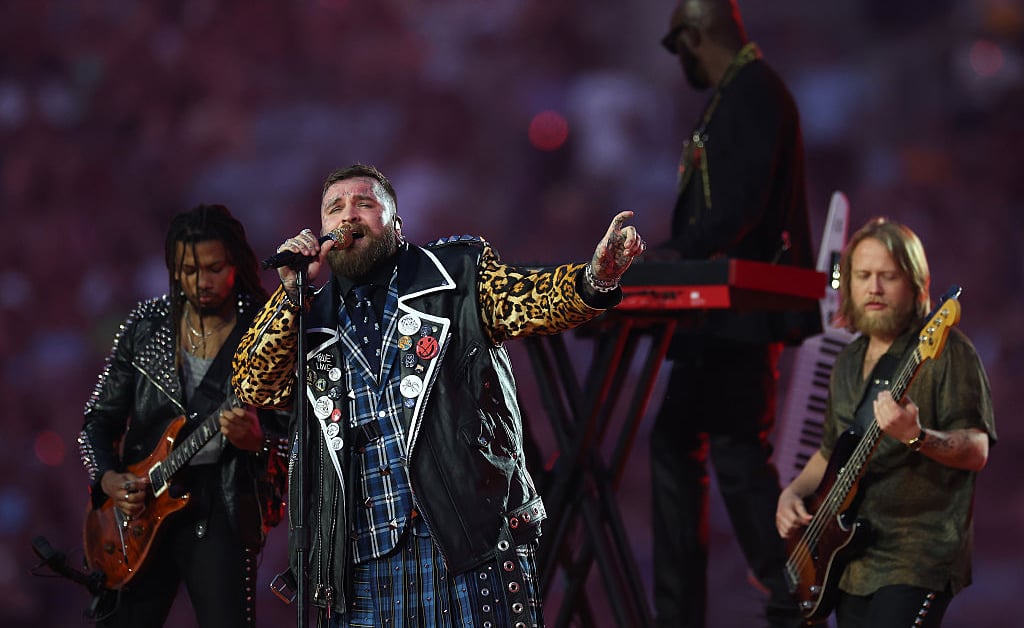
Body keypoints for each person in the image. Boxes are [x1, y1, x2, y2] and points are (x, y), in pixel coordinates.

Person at [231, 163, 645, 626]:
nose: (348, 216)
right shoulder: (309, 320)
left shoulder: (457, 277)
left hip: (466, 546)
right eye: (335, 208)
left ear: (396, 225)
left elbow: (534, 300)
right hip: (361, 563)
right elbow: (253, 383)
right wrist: (291, 296)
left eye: (364, 204)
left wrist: (595, 278)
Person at [648, 1, 822, 626]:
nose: (681, 62)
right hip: (719, 315)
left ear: (696, 34)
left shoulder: (753, 91)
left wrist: (675, 256)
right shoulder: (742, 90)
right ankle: (782, 593)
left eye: (680, 47)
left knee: (731, 455)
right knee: (699, 446)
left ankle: (794, 593)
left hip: (739, 314)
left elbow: (741, 204)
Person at [776, 218, 996, 627]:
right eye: (863, 276)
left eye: (887, 276)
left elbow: (977, 450)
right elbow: (830, 451)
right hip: (850, 562)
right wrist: (791, 493)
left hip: (916, 554)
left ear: (915, 284)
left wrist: (917, 437)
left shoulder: (948, 351)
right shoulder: (847, 361)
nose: (873, 288)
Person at [78, 204, 291, 627]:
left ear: (236, 262)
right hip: (137, 512)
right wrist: (108, 479)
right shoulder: (146, 325)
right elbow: (97, 421)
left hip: (222, 507)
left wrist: (259, 440)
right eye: (187, 271)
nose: (201, 282)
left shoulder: (266, 327)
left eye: (214, 268)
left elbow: (303, 425)